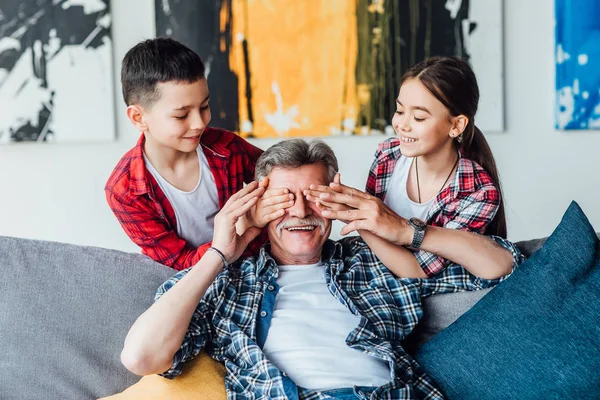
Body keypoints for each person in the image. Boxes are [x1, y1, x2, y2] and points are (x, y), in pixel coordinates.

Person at [119, 139, 522, 399]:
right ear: (257, 203)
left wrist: (400, 230)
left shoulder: (372, 261)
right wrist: (221, 252)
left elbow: (502, 265)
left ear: (335, 197)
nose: (299, 211)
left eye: (313, 197)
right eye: (283, 199)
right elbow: (141, 356)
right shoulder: (228, 282)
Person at [304, 56, 513, 283]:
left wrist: (359, 220)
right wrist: (355, 212)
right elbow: (375, 243)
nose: (402, 125)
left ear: (456, 125)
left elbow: (418, 271)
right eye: (400, 111)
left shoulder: (478, 191)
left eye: (419, 117)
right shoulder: (387, 156)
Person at [104, 38, 292, 270]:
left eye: (204, 107)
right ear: (138, 118)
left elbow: (285, 177)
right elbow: (181, 265)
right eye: (181, 115)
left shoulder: (227, 147)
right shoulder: (125, 192)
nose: (200, 123)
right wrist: (247, 223)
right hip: (194, 285)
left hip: (259, 267)